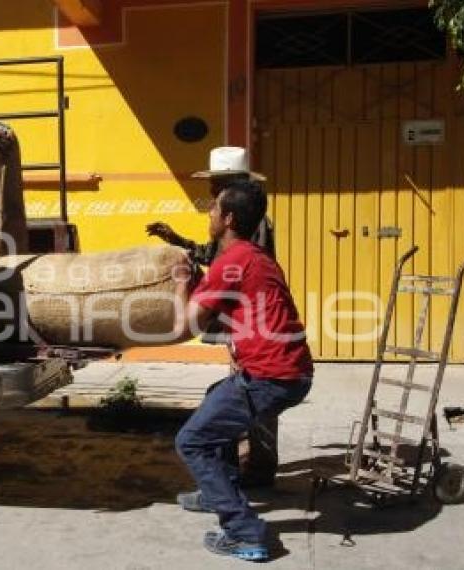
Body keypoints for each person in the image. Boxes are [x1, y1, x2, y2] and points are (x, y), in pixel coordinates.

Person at [172, 179, 313, 561]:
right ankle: (218, 490)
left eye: (214, 208)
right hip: (291, 370)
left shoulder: (230, 261)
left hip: (272, 375)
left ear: (229, 218)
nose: (210, 214)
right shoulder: (258, 257)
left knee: (192, 441)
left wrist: (184, 285)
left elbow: (189, 325)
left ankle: (246, 533)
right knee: (214, 399)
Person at [147, 146, 279, 489]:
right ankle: (240, 464)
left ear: (231, 182)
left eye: (215, 183)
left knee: (252, 393)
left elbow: (237, 268)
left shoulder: (252, 223)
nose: (209, 191)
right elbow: (215, 256)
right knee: (240, 392)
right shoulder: (233, 219)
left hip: (248, 320)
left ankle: (258, 469)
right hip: (241, 317)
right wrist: (176, 239)